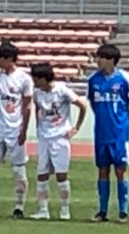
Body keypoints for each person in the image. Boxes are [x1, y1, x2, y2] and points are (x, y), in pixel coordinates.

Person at [87, 42, 129, 223]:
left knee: (120, 170)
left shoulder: (124, 79)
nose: (98, 61)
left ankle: (123, 211)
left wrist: (126, 125)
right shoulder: (94, 80)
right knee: (102, 170)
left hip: (119, 133)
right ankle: (102, 210)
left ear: (111, 60)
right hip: (101, 132)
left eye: (101, 57)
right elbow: (93, 104)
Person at [0, 41, 33, 218]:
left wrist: (24, 130)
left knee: (18, 169)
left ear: (10, 59)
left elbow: (27, 106)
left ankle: (19, 207)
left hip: (15, 128)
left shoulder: (24, 79)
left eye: (1, 57)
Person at [30, 62, 87, 220]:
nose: (34, 82)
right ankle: (43, 210)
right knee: (42, 173)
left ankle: (65, 210)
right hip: (44, 136)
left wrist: (76, 127)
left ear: (44, 78)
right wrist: (38, 125)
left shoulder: (61, 90)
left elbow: (82, 105)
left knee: (61, 174)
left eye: (36, 79)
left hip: (60, 136)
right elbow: (37, 109)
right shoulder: (37, 93)